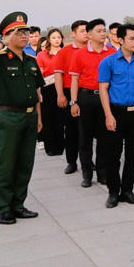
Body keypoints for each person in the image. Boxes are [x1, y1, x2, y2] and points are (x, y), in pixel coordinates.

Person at [0, 12, 44, 225]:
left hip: (29, 117)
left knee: (25, 163)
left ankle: (18, 204)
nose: (25, 35)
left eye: (26, 31)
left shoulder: (32, 61)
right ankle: (2, 208)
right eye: (19, 32)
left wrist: (39, 118)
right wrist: (1, 44)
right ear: (7, 35)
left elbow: (37, 93)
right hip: (8, 117)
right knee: (6, 164)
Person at [98, 24, 134, 208]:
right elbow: (103, 89)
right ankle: (113, 192)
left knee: (132, 155)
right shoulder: (109, 62)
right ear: (120, 40)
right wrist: (108, 115)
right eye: (131, 38)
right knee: (113, 155)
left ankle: (127, 191)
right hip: (116, 112)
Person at [69, 18, 116, 187]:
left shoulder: (111, 52)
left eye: (104, 30)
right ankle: (87, 174)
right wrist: (73, 102)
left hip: (106, 98)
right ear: (89, 34)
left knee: (105, 137)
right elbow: (74, 79)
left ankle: (102, 173)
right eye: (99, 31)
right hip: (86, 98)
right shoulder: (79, 54)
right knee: (85, 137)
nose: (103, 33)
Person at [53, 20, 87, 175]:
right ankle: (71, 162)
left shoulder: (92, 51)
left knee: (87, 131)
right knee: (72, 130)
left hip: (87, 93)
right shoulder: (64, 52)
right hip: (69, 92)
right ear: (73, 33)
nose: (86, 33)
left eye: (87, 30)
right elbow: (58, 75)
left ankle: (88, 161)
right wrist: (60, 94)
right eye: (82, 31)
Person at [37, 28, 64, 155]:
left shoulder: (65, 53)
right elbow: (38, 76)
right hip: (47, 89)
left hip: (63, 88)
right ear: (48, 39)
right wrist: (38, 92)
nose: (56, 40)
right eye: (54, 38)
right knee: (48, 118)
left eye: (59, 37)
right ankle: (51, 147)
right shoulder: (42, 55)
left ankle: (61, 146)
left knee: (60, 118)